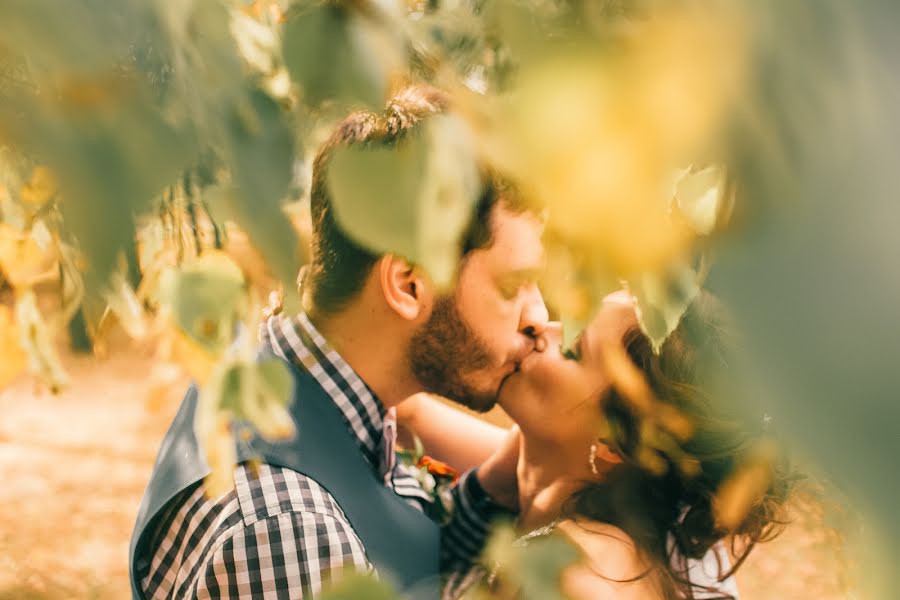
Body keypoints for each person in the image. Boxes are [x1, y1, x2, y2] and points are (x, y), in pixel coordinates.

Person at [128, 85, 549, 599]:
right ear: (408, 284)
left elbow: (402, 545)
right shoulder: (287, 528)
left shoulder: (305, 380)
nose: (539, 317)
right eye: (512, 286)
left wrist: (496, 486)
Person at [432, 290, 793, 599]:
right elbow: (416, 419)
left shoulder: (578, 578)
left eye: (573, 349)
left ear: (613, 442)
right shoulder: (568, 477)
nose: (542, 327)